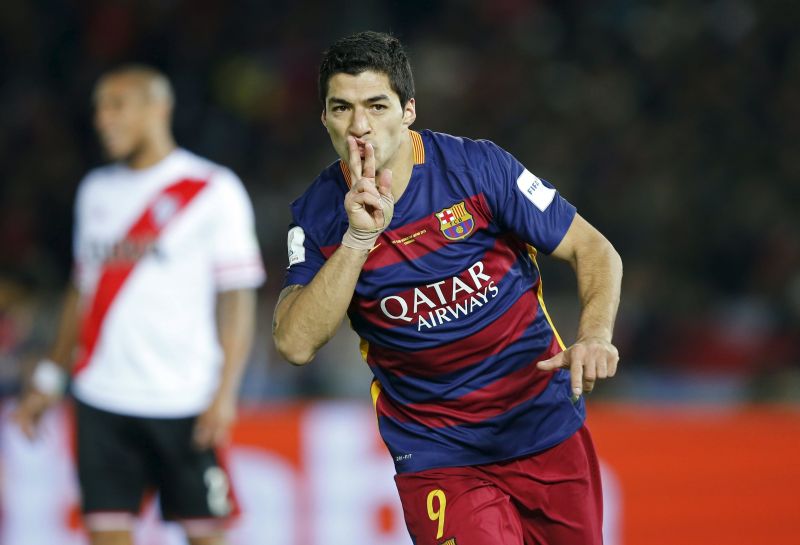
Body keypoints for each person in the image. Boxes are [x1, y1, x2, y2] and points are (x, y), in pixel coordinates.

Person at [273, 31, 622, 545]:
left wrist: (593, 334)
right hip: (438, 455)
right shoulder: (320, 215)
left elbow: (594, 250)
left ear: (408, 110)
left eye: (376, 105)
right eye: (341, 108)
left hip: (541, 425)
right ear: (324, 118)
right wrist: (358, 240)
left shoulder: (476, 169)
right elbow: (294, 343)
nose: (360, 127)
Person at [14, 65, 265, 545]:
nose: (102, 120)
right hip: (102, 398)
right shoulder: (95, 192)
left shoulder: (212, 190)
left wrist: (226, 392)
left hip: (185, 399)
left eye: (116, 106)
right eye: (98, 109)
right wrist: (50, 375)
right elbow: (82, 292)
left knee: (208, 536)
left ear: (158, 108)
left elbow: (237, 301)